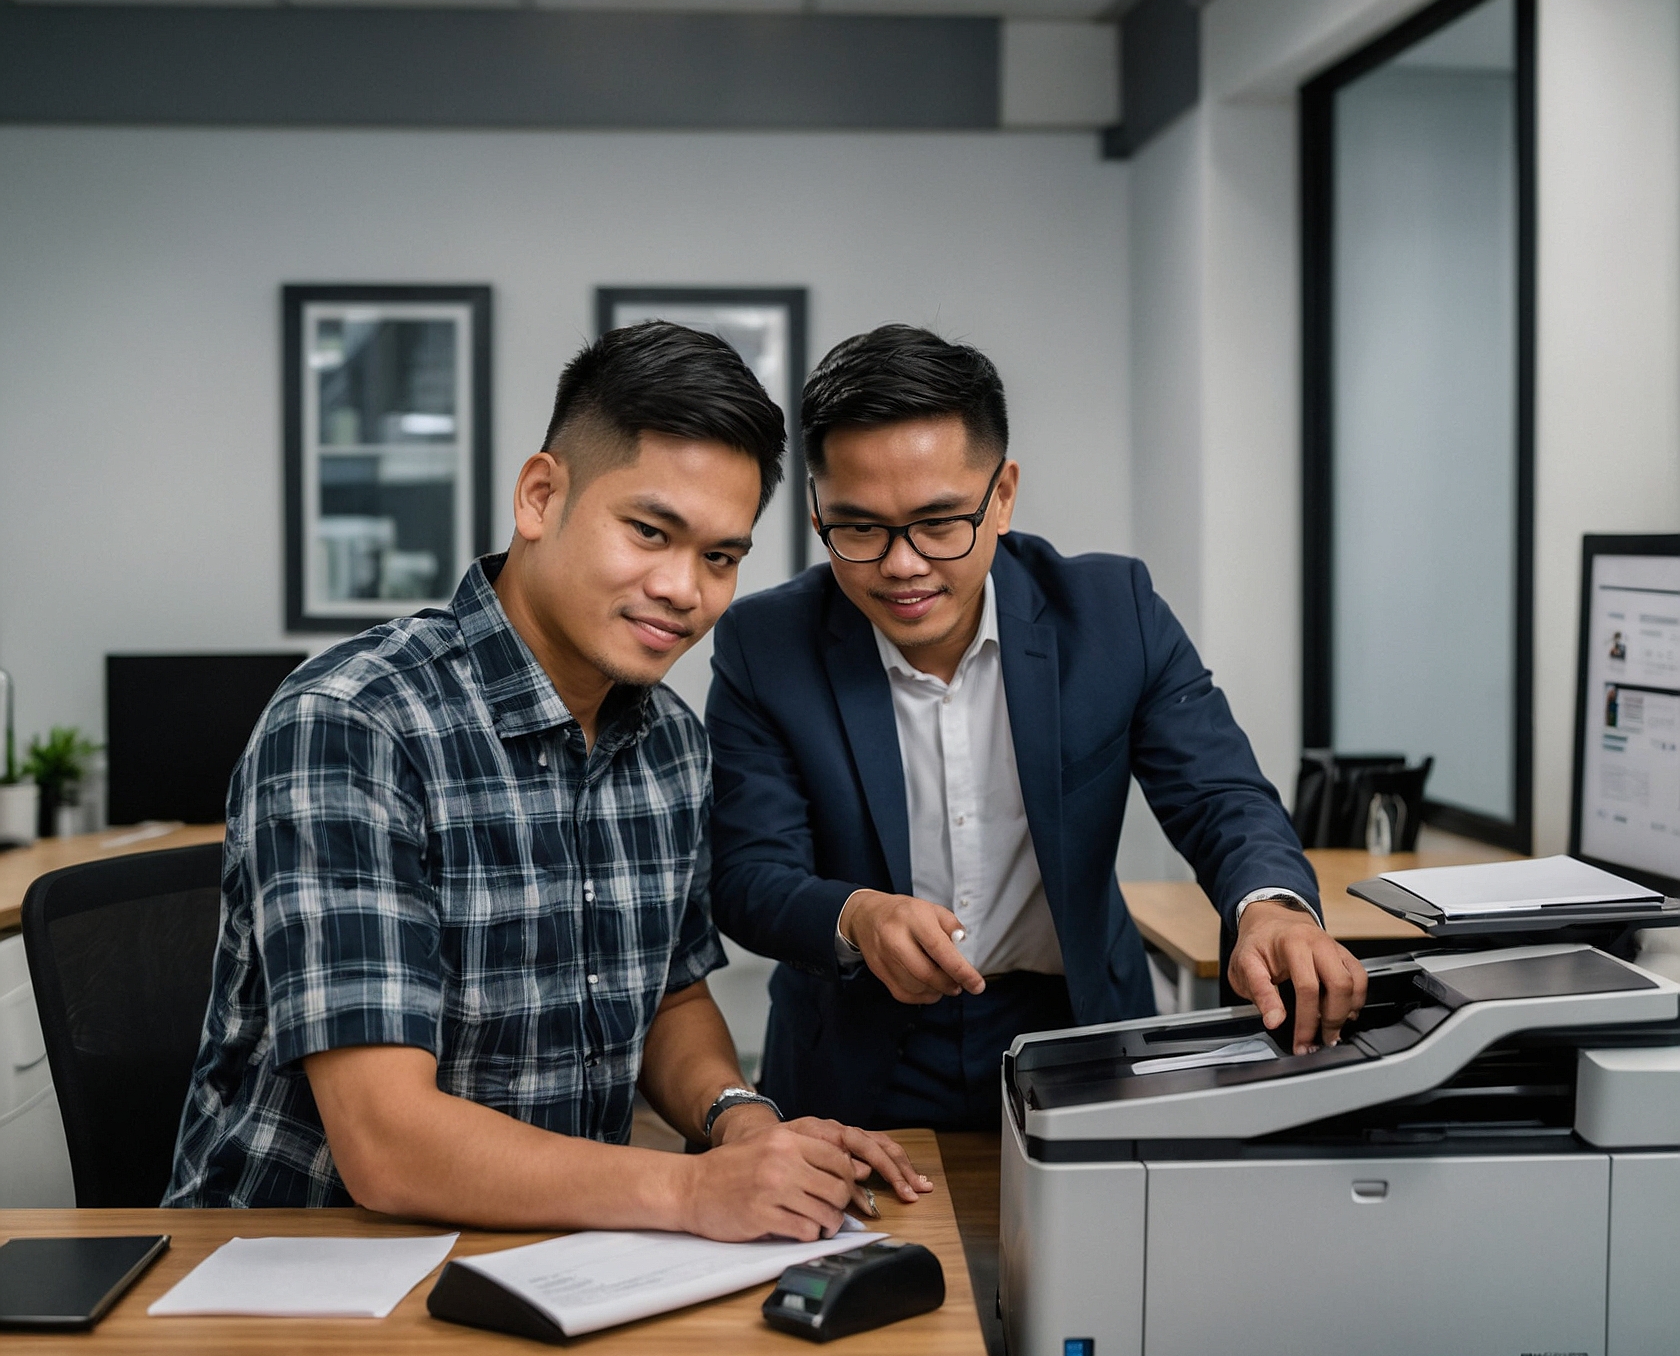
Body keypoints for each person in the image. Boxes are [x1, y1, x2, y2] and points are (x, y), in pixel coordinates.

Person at [167, 322, 927, 1236]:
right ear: (539, 496)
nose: (685, 589)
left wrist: (747, 1130)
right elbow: (385, 1141)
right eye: (650, 531)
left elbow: (671, 999)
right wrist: (690, 1191)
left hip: (551, 1259)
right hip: (302, 1275)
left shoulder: (671, 744)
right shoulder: (355, 721)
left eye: (720, 557)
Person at [707, 325, 1369, 1130]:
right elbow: (748, 876)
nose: (903, 564)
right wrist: (856, 917)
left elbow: (1221, 796)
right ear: (817, 512)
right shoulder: (766, 645)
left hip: (1072, 1029)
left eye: (940, 521)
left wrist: (1271, 907)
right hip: (856, 1048)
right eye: (860, 528)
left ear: (1004, 494)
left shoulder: (1112, 614)